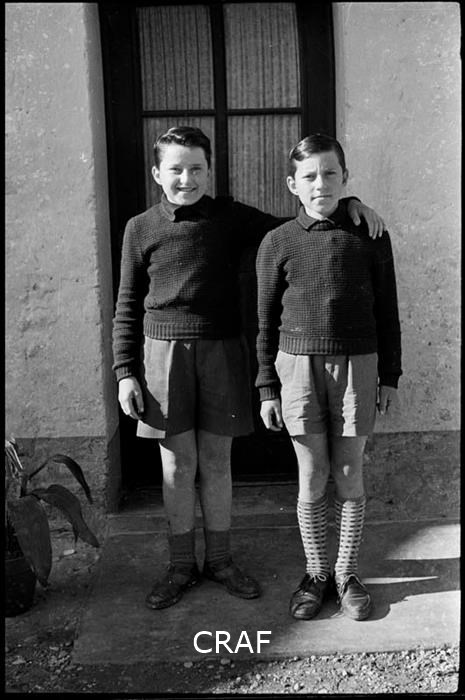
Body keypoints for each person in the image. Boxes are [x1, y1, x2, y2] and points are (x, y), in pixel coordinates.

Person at [112, 126, 387, 611]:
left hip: (221, 350)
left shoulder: (230, 218)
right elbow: (127, 304)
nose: (186, 178)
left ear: (209, 171)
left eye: (196, 168)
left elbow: (303, 219)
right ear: (157, 173)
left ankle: (220, 561)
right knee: (177, 465)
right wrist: (125, 370)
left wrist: (351, 203)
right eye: (175, 169)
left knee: (217, 461)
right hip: (162, 355)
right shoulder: (140, 227)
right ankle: (180, 565)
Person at [255, 133, 402, 621]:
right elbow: (264, 322)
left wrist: (390, 376)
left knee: (349, 471)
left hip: (357, 363)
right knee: (313, 473)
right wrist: (267, 386)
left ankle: (346, 574)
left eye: (331, 174)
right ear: (292, 184)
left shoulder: (369, 236)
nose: (321, 184)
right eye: (310, 176)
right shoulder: (277, 242)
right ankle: (316, 572)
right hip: (297, 367)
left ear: (345, 178)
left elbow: (388, 311)